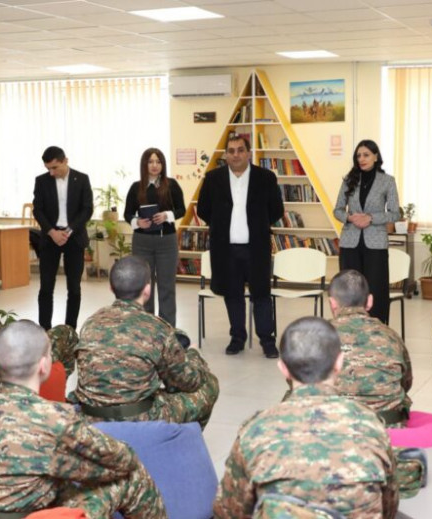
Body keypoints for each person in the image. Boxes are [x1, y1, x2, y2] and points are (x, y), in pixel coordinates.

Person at [0, 320, 166, 519]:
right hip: (29, 515)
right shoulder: (53, 419)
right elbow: (123, 459)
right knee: (130, 477)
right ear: (43, 365)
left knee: (59, 481)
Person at [213, 316, 399, 518]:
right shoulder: (371, 427)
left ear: (283, 368)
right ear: (339, 362)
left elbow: (229, 512)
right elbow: (389, 506)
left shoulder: (255, 432)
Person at [76, 256, 218, 427]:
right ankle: (179, 439)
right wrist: (194, 354)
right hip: (139, 419)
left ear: (111, 288)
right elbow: (189, 382)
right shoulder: (157, 328)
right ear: (147, 290)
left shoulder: (90, 323)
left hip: (89, 417)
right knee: (209, 385)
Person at [197, 135, 284, 358]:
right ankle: (237, 338)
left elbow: (276, 210)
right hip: (225, 250)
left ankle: (267, 341)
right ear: (226, 154)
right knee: (232, 294)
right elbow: (203, 209)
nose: (235, 155)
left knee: (261, 294)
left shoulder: (265, 178)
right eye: (231, 151)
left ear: (248, 153)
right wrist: (220, 224)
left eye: (240, 150)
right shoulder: (213, 178)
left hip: (256, 248)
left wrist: (258, 225)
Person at [328, 269, 413, 426]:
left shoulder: (318, 335)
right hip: (387, 427)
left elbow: (299, 383)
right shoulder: (390, 335)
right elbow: (406, 382)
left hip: (334, 427)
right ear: (370, 301)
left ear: (332, 303)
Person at [333, 139, 400, 324]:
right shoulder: (349, 180)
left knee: (375, 289)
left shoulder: (387, 181)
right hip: (350, 242)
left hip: (375, 244)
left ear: (376, 157)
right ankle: (349, 327)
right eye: (358, 156)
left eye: (366, 155)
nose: (361, 159)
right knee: (349, 290)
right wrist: (350, 218)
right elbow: (337, 210)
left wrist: (370, 218)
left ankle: (376, 329)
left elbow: (395, 213)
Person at [33, 145, 93, 331]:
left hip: (74, 237)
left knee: (74, 288)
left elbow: (87, 209)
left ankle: (70, 330)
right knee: (46, 288)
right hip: (50, 237)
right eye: (48, 169)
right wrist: (52, 232)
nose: (51, 173)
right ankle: (44, 330)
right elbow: (38, 210)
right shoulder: (41, 181)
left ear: (65, 161)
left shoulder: (81, 179)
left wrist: (69, 230)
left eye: (55, 167)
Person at [123, 148, 185, 327]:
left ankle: (167, 329)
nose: (155, 165)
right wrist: (137, 222)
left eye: (158, 162)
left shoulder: (171, 185)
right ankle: (147, 328)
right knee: (144, 287)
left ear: (163, 165)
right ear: (144, 165)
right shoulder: (136, 187)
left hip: (167, 242)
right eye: (150, 162)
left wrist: (167, 215)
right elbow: (127, 213)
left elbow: (182, 209)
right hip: (142, 242)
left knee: (167, 287)